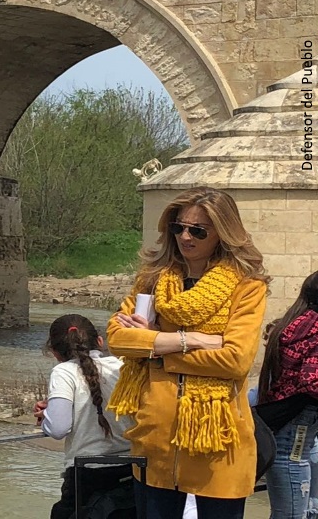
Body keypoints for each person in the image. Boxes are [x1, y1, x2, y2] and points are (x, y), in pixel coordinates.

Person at [106, 186, 269, 519]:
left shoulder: (247, 286)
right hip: (155, 441)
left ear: (222, 233)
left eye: (197, 230)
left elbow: (235, 360)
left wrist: (154, 349)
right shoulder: (152, 280)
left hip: (218, 443)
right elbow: (117, 339)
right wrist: (189, 340)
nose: (185, 236)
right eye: (178, 227)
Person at [32, 314, 132, 519]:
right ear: (100, 342)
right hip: (132, 472)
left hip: (87, 476)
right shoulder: (123, 366)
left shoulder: (64, 372)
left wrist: (48, 416)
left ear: (55, 352)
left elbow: (58, 429)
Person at [256, 271, 318, 519]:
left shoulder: (298, 321)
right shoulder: (314, 327)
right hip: (296, 425)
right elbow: (311, 382)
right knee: (291, 513)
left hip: (287, 420)